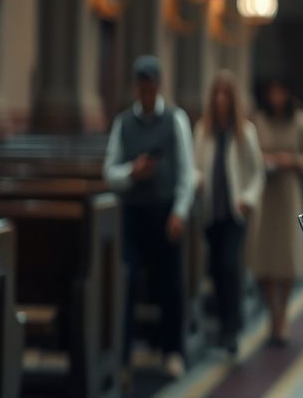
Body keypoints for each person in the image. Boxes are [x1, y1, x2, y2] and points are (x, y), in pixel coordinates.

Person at [102, 55, 197, 379]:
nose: (144, 89)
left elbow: (186, 172)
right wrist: (133, 171)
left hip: (165, 213)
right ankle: (125, 358)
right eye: (140, 84)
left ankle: (172, 351)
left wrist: (179, 212)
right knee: (127, 284)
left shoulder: (176, 119)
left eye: (150, 83)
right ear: (136, 85)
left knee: (168, 286)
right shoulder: (123, 122)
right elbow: (109, 173)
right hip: (133, 215)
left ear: (157, 85)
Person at [193, 71, 264, 357]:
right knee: (217, 270)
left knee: (230, 266)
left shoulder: (244, 131)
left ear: (233, 98)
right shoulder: (203, 130)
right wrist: (196, 181)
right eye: (217, 93)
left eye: (226, 93)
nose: (221, 98)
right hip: (211, 211)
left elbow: (256, 172)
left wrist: (247, 198)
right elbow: (196, 165)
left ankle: (232, 329)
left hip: (235, 212)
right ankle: (222, 326)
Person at [250, 76, 303, 346]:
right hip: (265, 191)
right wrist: (264, 160)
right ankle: (272, 314)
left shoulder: (299, 120)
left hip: (288, 192)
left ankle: (283, 315)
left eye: (280, 91)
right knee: (264, 256)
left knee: (286, 257)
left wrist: (291, 160)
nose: (276, 97)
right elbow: (249, 155)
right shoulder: (259, 121)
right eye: (272, 92)